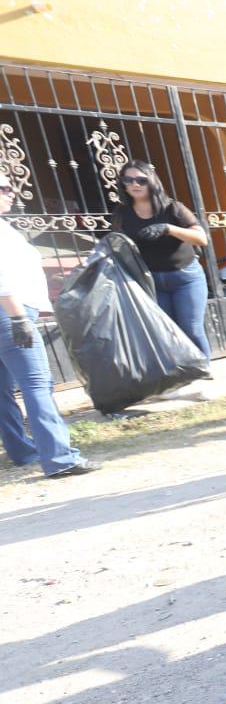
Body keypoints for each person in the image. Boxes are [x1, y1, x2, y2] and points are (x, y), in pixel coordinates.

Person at [0, 168, 98, 477]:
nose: (11, 191)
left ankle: (23, 450)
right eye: (3, 187)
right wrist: (18, 318)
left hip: (9, 311)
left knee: (3, 390)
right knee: (37, 384)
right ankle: (59, 458)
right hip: (10, 313)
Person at [113, 160, 212, 366]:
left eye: (141, 179)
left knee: (191, 328)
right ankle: (180, 377)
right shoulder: (122, 214)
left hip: (185, 277)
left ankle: (204, 373)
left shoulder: (172, 208)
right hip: (152, 281)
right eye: (128, 180)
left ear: (152, 180)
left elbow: (201, 238)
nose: (135, 184)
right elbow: (117, 244)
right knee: (167, 331)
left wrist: (168, 228)